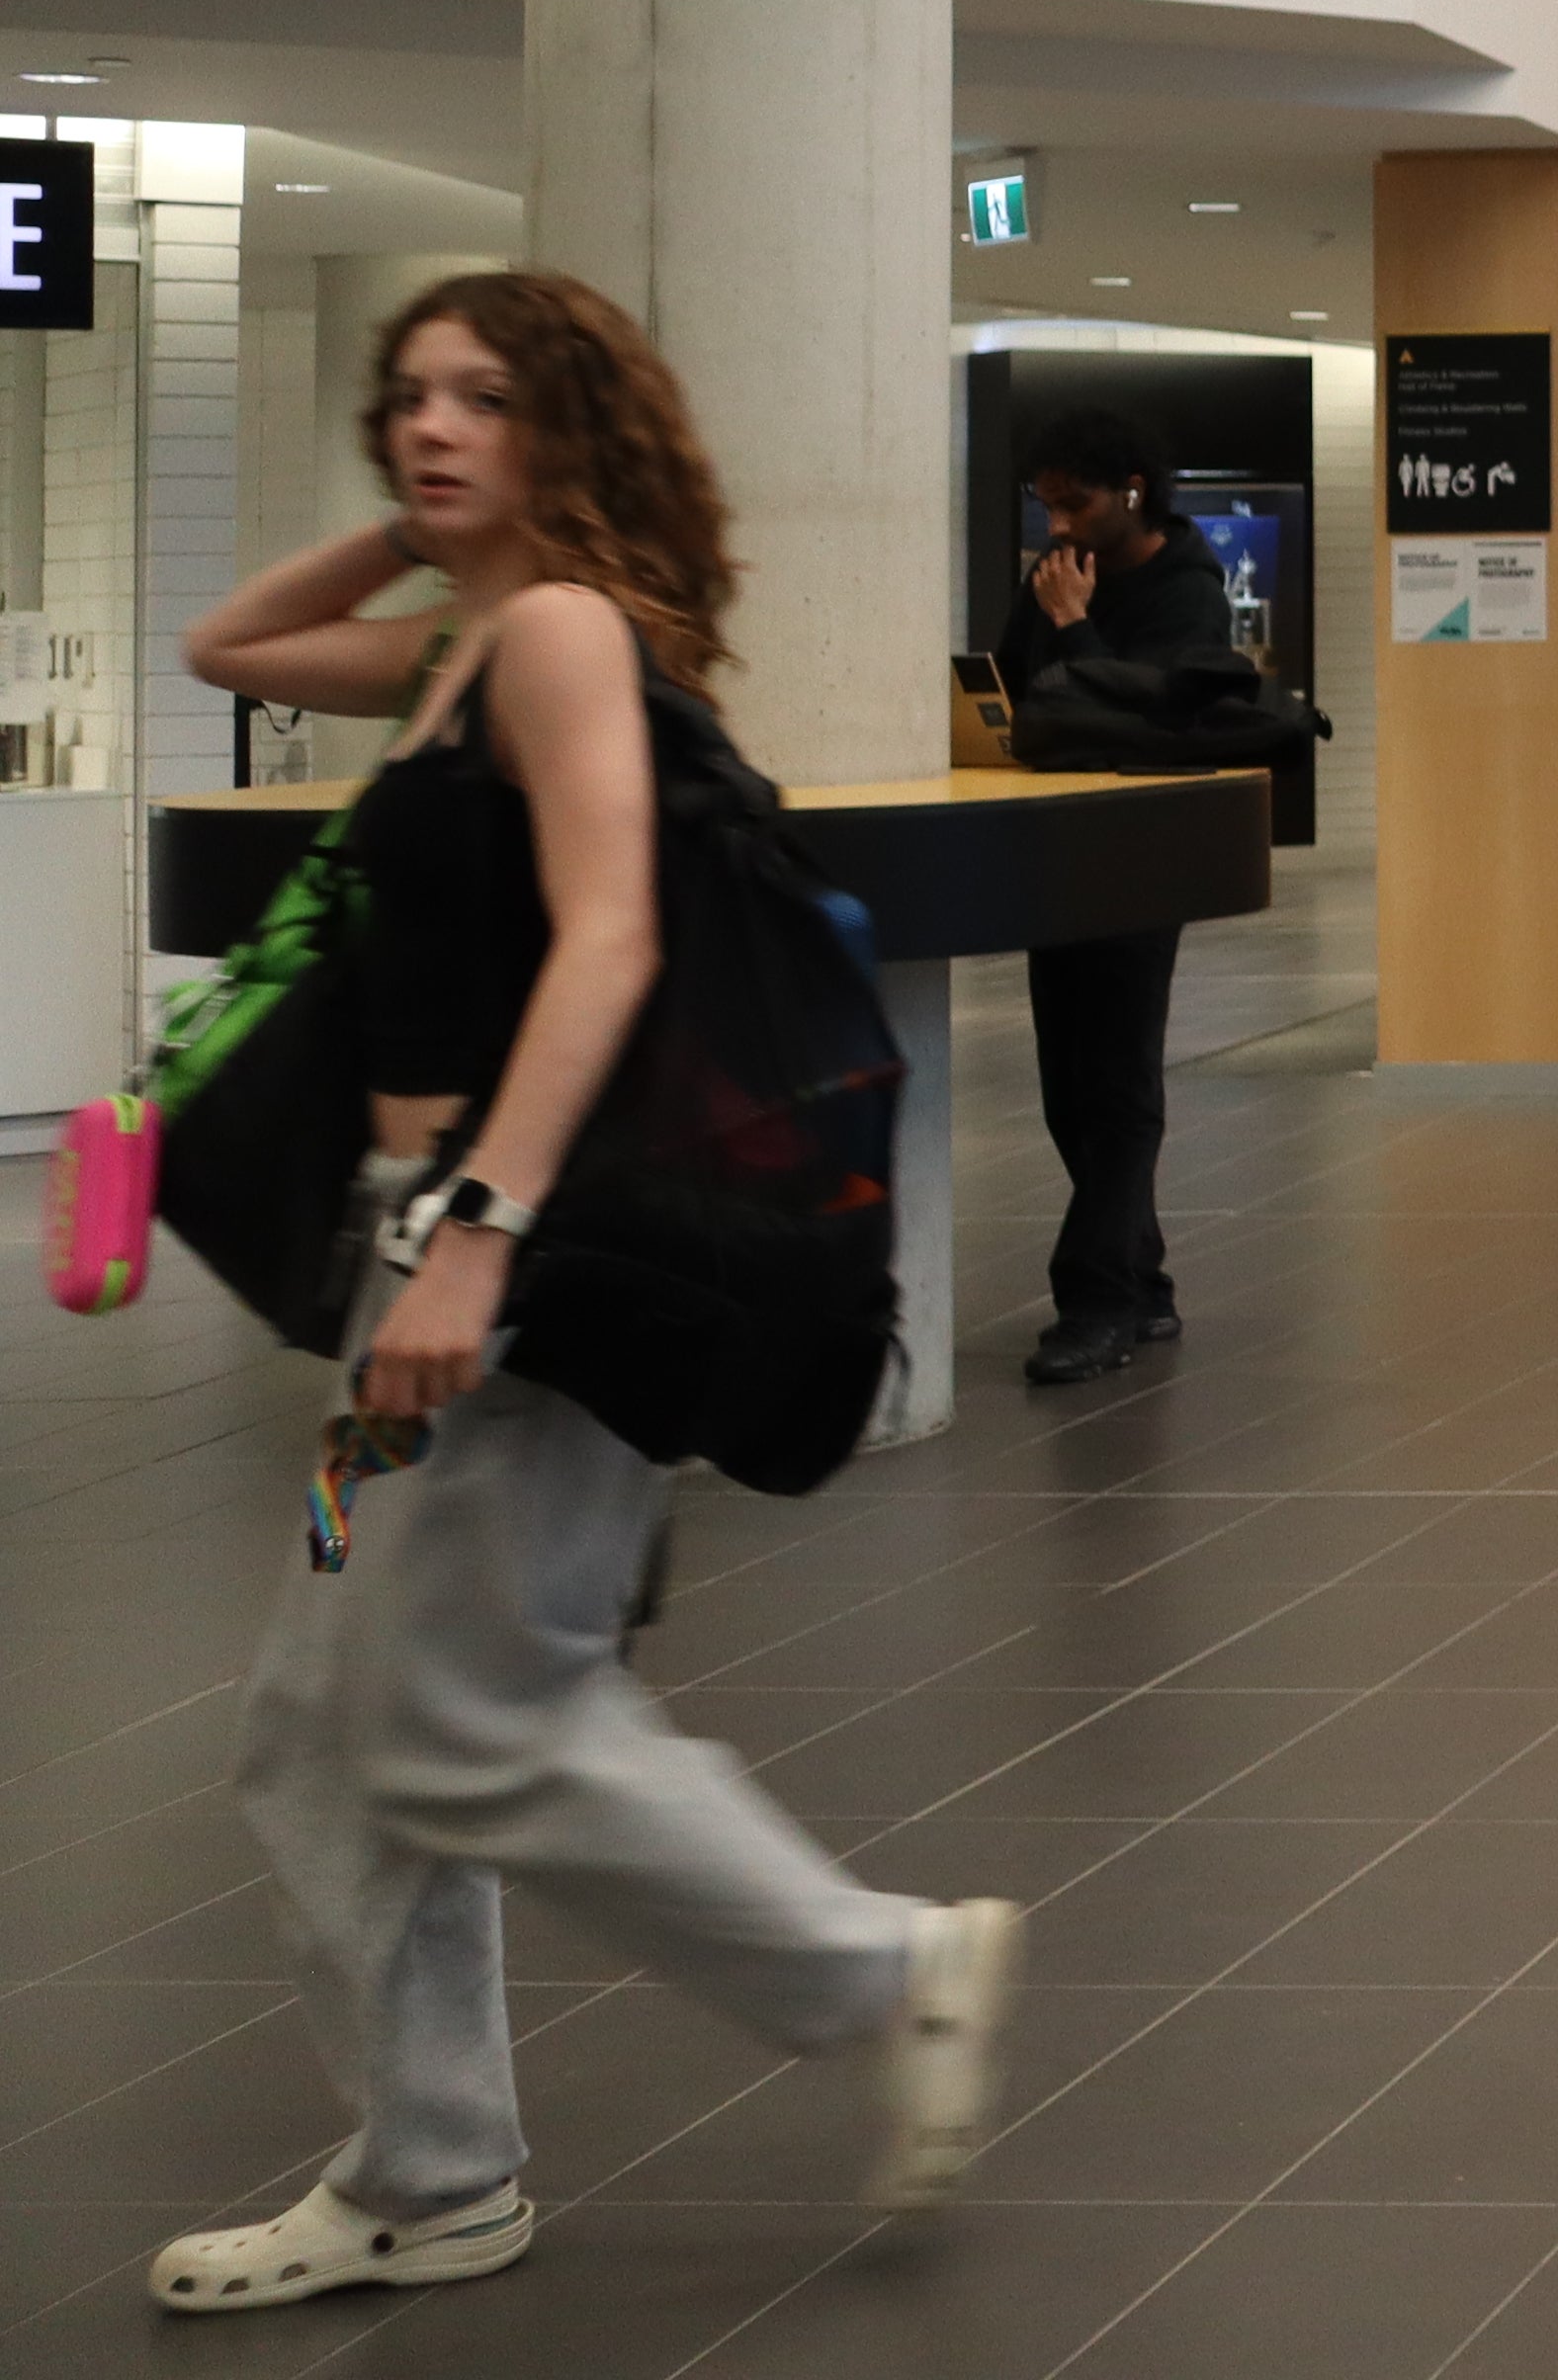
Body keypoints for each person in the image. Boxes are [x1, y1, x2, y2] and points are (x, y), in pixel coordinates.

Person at [157, 271, 1018, 2316]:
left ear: (576, 431)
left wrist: (479, 1222)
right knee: (316, 1727)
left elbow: (610, 938)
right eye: (409, 401)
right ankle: (433, 2166)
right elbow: (231, 642)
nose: (431, 427)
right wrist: (424, 511)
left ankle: (885, 1969)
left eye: (485, 401)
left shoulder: (554, 637)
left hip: (491, 1262)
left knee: (466, 1715)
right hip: (414, 1249)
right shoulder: (468, 640)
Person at [992, 403, 1232, 1386]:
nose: (1057, 526)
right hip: (1063, 852)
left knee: (1120, 1082)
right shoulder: (1047, 581)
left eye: (1074, 502)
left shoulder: (1188, 588)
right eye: (1044, 504)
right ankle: (1144, 1275)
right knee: (1068, 1083)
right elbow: (1013, 688)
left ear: (1131, 491)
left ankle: (1094, 1297)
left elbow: (1154, 718)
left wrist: (1075, 626)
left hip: (1143, 854)